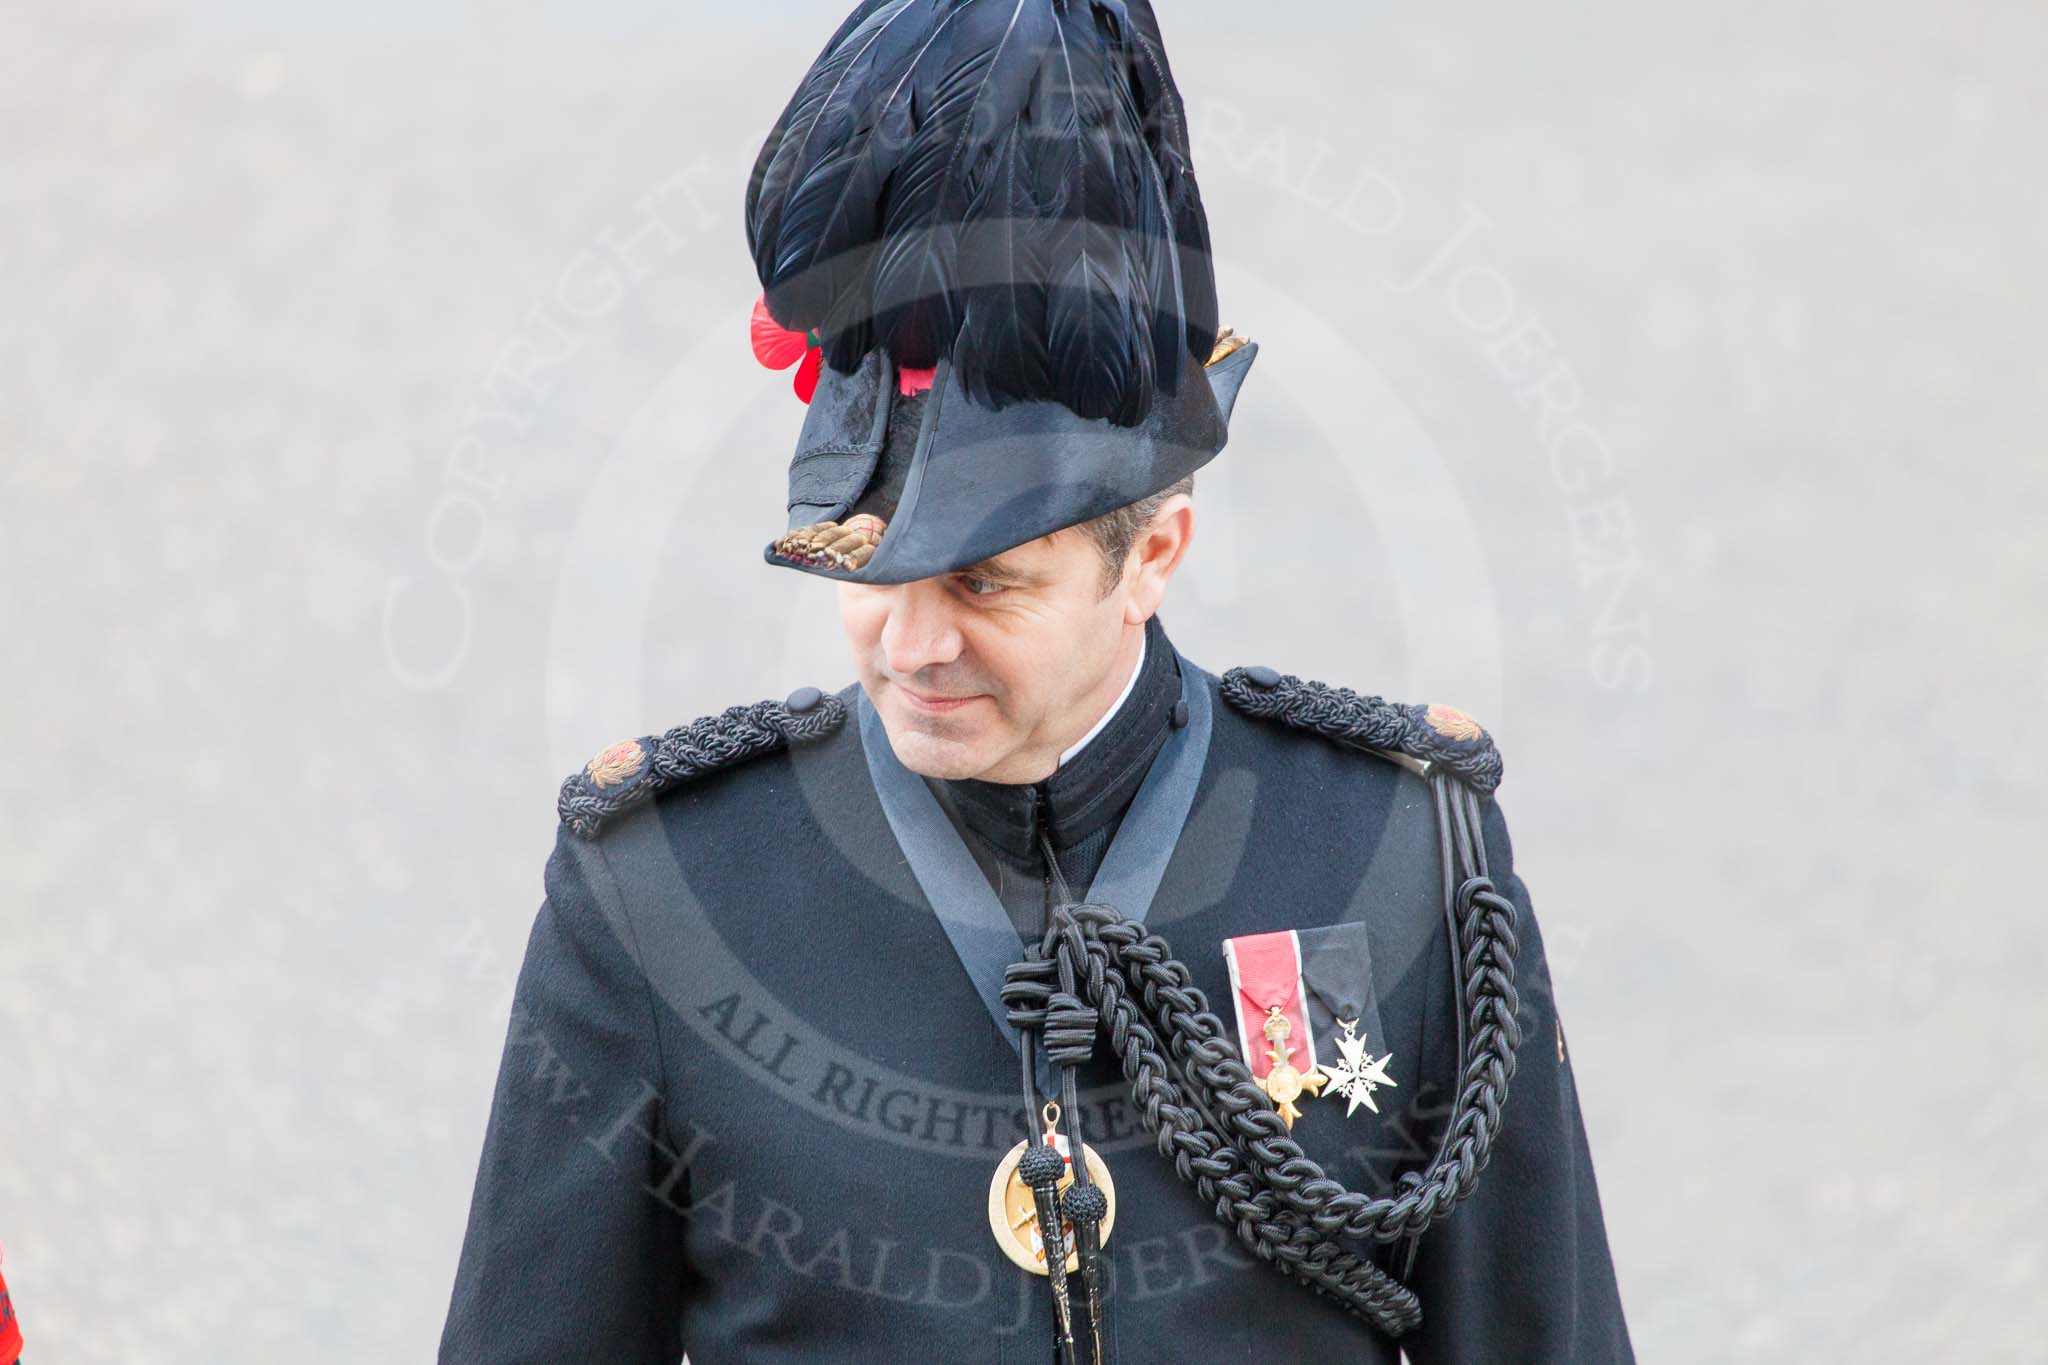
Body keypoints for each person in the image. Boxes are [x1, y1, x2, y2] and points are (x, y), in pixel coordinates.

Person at [439, 0, 1633, 1360]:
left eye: (989, 582)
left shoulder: (1405, 852)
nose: (912, 642)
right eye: (869, 571)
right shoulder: (656, 894)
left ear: (1154, 552)